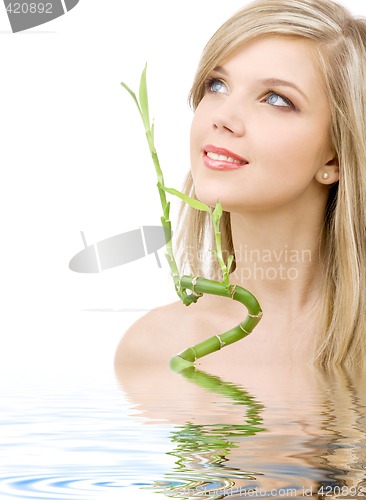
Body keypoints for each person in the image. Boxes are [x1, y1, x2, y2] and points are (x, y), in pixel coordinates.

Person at [115, 0, 366, 370]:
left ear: (334, 158)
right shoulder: (152, 351)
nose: (223, 117)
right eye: (217, 85)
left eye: (277, 99)